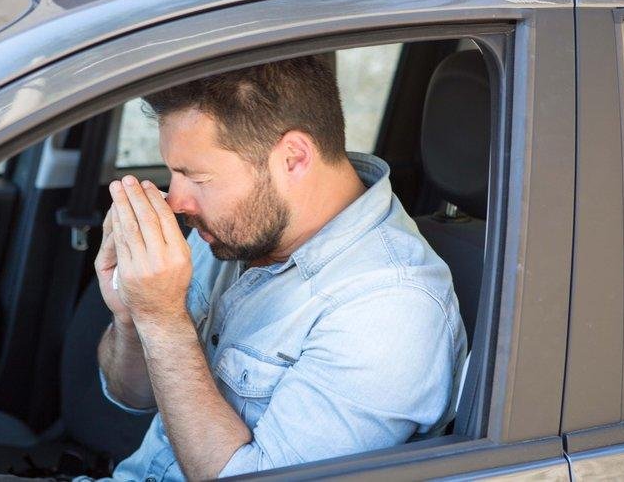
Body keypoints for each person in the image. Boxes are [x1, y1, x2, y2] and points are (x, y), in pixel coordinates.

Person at [86, 55, 466, 481]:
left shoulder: (390, 306)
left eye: (197, 177)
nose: (176, 201)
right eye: (173, 173)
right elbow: (131, 396)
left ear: (293, 158)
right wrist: (132, 316)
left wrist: (162, 319)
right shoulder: (234, 231)